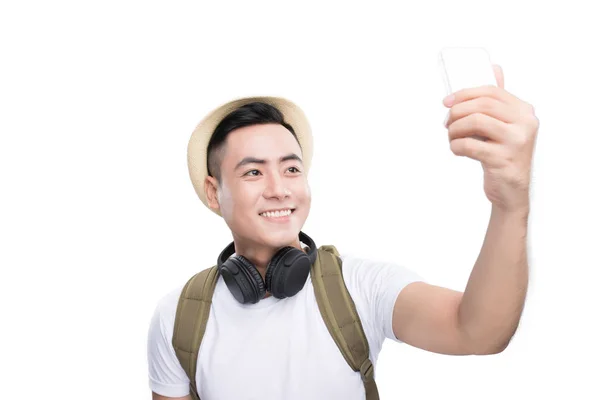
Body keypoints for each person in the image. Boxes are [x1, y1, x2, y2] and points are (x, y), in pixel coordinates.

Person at [147, 65, 539, 400]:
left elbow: (478, 333)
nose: (279, 188)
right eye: (253, 171)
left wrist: (511, 205)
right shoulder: (178, 316)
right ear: (214, 192)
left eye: (291, 168)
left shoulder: (359, 287)